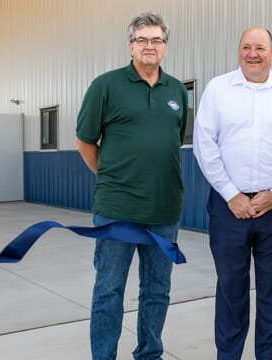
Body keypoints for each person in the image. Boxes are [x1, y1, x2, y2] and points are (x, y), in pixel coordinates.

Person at [192, 27, 272, 360]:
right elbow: (205, 147)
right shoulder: (218, 90)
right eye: (246, 47)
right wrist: (231, 194)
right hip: (228, 207)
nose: (252, 53)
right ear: (239, 51)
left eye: (260, 47)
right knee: (231, 289)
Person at [74, 12, 188, 360]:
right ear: (131, 46)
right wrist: (111, 178)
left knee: (157, 291)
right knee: (109, 290)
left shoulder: (177, 91)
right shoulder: (106, 86)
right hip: (117, 212)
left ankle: (149, 354)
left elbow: (175, 139)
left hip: (164, 210)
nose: (149, 46)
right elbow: (85, 141)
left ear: (165, 47)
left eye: (156, 40)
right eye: (142, 40)